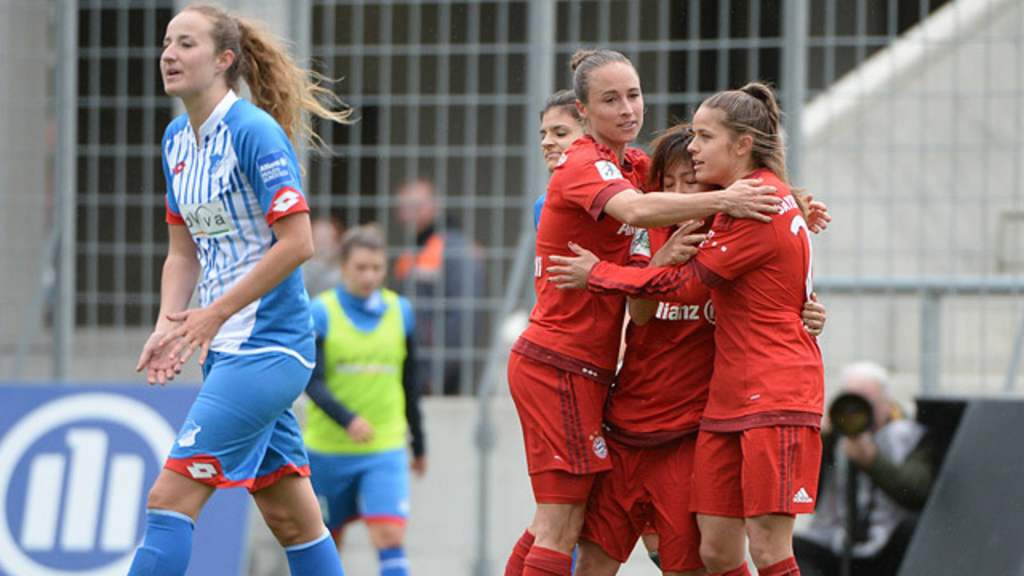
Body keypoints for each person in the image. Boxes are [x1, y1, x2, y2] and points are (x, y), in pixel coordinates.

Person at [504, 48, 786, 576]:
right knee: (561, 524)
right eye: (610, 100)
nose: (628, 109)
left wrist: (794, 204)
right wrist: (723, 202)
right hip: (562, 366)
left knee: (565, 525)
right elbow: (636, 222)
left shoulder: (633, 166)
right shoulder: (592, 168)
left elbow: (675, 180)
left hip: (611, 386)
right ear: (585, 110)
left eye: (633, 95)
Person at [131, 5, 351, 575]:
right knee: (293, 521)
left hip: (268, 348)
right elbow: (183, 252)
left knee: (168, 500)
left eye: (187, 44)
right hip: (226, 349)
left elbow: (298, 243)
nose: (169, 54)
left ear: (224, 60)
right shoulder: (176, 139)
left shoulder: (253, 132)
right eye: (167, 43)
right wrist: (169, 323)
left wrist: (216, 312)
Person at [570, 125, 828, 576]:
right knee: (592, 560)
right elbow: (641, 315)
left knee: (698, 561)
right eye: (667, 183)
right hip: (628, 424)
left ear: (716, 186)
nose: (677, 193)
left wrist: (806, 312)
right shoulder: (651, 234)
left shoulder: (737, 239)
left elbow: (775, 292)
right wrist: (661, 261)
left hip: (690, 434)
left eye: (689, 181)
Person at [304, 224, 426, 576]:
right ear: (343, 267)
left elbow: (410, 382)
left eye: (376, 268)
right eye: (361, 267)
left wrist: (419, 444)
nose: (369, 276)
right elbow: (312, 381)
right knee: (326, 545)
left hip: (384, 446)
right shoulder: (321, 312)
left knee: (390, 536)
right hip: (328, 450)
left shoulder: (400, 311)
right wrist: (348, 419)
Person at [794, 362, 934, 576]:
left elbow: (916, 491)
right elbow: (804, 495)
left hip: (887, 546)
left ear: (886, 405)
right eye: (850, 403)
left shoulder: (907, 436)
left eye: (865, 403)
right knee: (794, 549)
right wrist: (820, 441)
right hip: (834, 542)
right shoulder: (833, 439)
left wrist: (872, 460)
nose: (856, 413)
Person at [393, 178, 485, 396]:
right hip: (414, 362)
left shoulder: (454, 249)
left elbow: (463, 317)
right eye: (404, 207)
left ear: (435, 206)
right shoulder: (416, 249)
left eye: (416, 206)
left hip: (438, 372)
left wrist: (436, 375)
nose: (407, 214)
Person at [535, 89, 585, 229]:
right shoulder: (543, 205)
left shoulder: (627, 192)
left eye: (560, 133)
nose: (545, 142)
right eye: (543, 136)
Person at [303, 216, 344, 296]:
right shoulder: (301, 270)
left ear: (337, 244)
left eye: (326, 239)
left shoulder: (342, 271)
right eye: (317, 238)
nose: (322, 245)